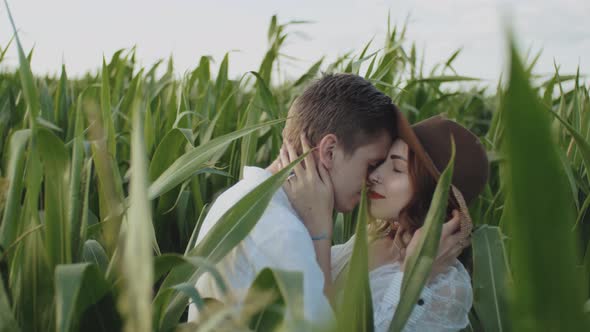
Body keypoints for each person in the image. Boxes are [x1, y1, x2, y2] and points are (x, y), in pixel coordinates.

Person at [279, 114, 489, 331]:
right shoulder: (375, 234)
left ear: (435, 195)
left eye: (397, 168)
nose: (374, 175)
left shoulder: (448, 287)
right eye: (379, 163)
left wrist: (416, 279)